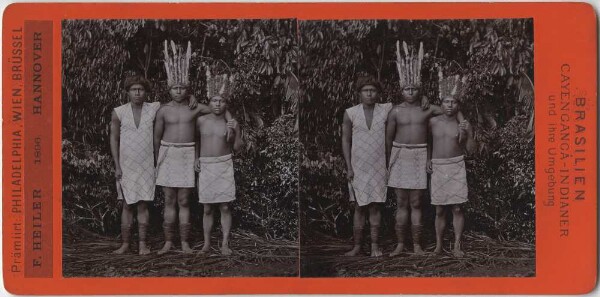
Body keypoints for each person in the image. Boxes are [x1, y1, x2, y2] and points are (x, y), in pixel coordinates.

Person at [154, 40, 233, 254]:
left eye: (182, 88)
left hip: (188, 153)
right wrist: (155, 161)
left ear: (187, 88)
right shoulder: (163, 110)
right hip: (167, 153)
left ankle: (185, 242)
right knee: (169, 199)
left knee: (184, 200)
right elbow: (156, 137)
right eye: (175, 88)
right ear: (169, 89)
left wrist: (230, 119)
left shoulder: (195, 107)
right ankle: (169, 241)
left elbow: (218, 106)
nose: (179, 91)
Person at [386, 41, 465, 256]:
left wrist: (462, 120)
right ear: (401, 90)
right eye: (406, 89)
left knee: (416, 202)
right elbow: (388, 139)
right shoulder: (395, 111)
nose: (410, 92)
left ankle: (417, 245)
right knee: (401, 202)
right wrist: (386, 163)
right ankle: (401, 244)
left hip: (420, 155)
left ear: (419, 89)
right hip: (399, 154)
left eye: (414, 89)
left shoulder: (427, 108)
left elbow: (451, 108)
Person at [341, 75, 392, 257]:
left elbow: (408, 105)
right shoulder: (350, 113)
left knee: (375, 206)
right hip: (358, 166)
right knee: (359, 206)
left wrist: (424, 99)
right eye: (365, 91)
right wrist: (349, 167)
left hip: (379, 165)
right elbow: (346, 140)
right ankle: (357, 246)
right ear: (359, 93)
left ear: (378, 93)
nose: (369, 94)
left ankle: (375, 246)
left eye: (372, 90)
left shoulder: (386, 109)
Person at [428, 74, 475, 258]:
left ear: (458, 105)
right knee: (439, 209)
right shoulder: (432, 122)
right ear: (441, 103)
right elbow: (427, 141)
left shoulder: (462, 124)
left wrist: (469, 132)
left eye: (453, 102)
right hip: (438, 166)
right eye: (446, 101)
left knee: (457, 208)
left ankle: (457, 245)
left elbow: (471, 149)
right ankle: (438, 246)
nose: (449, 105)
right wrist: (428, 159)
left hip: (456, 165)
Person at [195, 72, 243, 255]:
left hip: (224, 164)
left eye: (221, 101)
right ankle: (206, 244)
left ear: (226, 103)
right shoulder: (201, 121)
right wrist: (196, 158)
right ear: (209, 101)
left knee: (224, 206)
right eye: (214, 100)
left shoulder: (230, 123)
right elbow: (196, 140)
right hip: (206, 165)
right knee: (207, 207)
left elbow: (238, 148)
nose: (217, 104)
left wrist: (236, 131)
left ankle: (224, 244)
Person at [110, 75, 158, 255]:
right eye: (133, 90)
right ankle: (125, 244)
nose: (137, 93)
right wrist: (117, 165)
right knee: (127, 205)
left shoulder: (154, 108)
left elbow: (176, 104)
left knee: (143, 204)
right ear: (127, 92)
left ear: (145, 92)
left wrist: (191, 98)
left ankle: (143, 244)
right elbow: (114, 139)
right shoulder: (119, 112)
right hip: (126, 165)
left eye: (141, 89)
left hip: (146, 164)